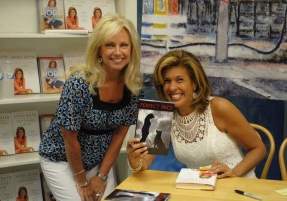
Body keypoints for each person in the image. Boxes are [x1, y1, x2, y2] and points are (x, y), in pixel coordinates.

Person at [39, 13, 142, 201]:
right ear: (99, 50)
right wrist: (82, 182)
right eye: (110, 45)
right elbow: (69, 138)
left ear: (132, 49)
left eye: (124, 45)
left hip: (99, 162)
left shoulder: (134, 85)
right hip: (61, 159)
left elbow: (120, 133)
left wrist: (102, 176)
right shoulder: (79, 84)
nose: (118, 52)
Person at [126, 50, 266, 179]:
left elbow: (258, 148)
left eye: (179, 80)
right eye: (167, 81)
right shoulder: (159, 115)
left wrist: (234, 173)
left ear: (194, 83)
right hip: (201, 191)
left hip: (238, 188)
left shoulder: (219, 107)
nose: (172, 87)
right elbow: (144, 164)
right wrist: (134, 160)